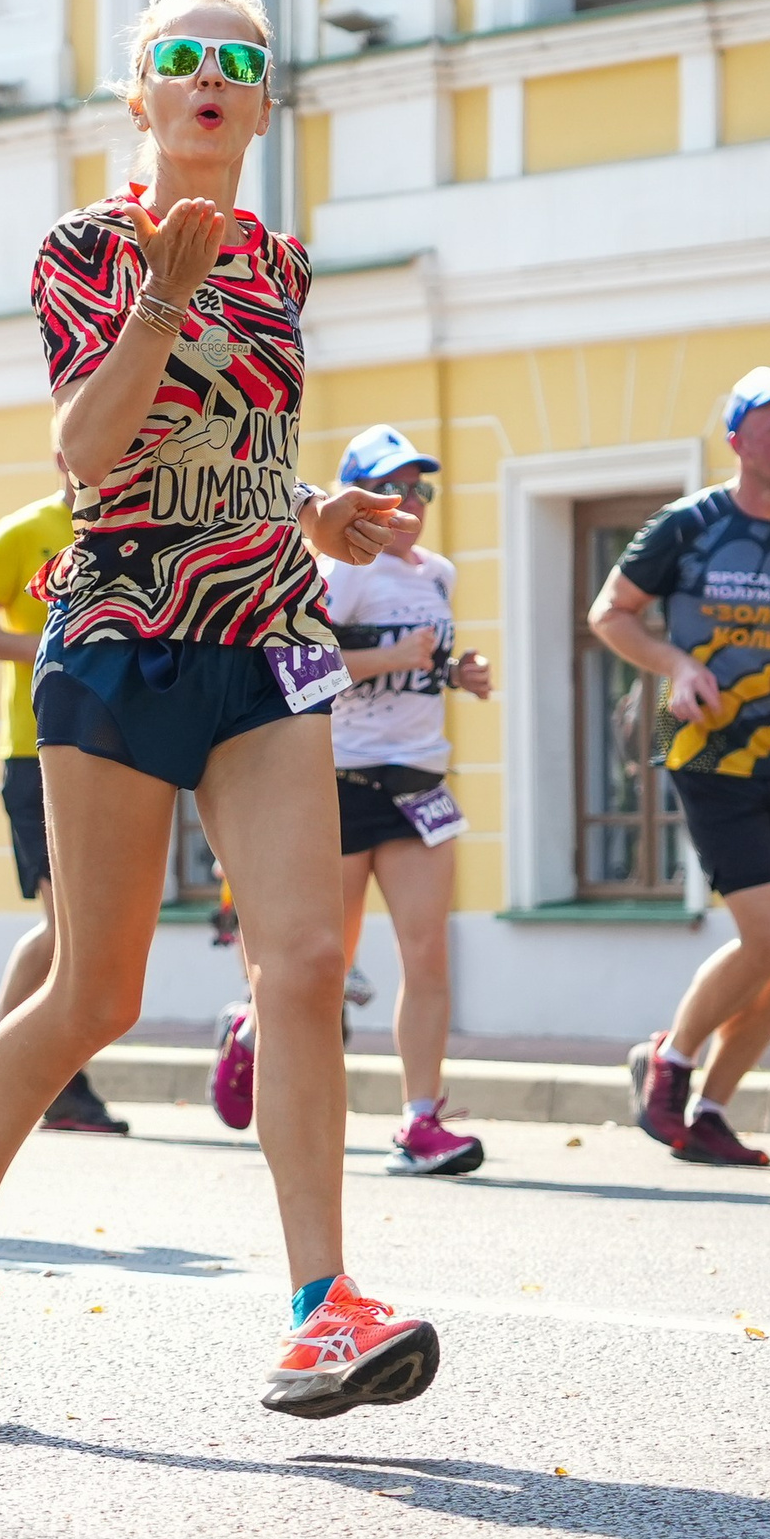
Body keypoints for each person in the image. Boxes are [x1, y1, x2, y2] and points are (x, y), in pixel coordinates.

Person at [0, 0, 441, 1420]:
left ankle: (322, 1303)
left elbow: (236, 442)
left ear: (264, 102)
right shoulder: (85, 246)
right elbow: (88, 452)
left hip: (262, 635)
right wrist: (163, 300)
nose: (208, 78)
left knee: (305, 958)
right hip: (122, 638)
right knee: (96, 991)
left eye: (236, 63)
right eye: (178, 60)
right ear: (140, 97)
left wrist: (315, 509)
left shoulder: (287, 265)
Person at [588, 367, 770, 1168]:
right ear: (739, 439)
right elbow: (609, 614)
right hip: (709, 751)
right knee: (769, 933)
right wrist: (675, 665)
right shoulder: (687, 525)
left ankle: (710, 1108)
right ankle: (671, 1060)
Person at [317, 423, 494, 1176]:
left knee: (428, 957)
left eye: (420, 485)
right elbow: (308, 665)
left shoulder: (439, 573)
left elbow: (430, 661)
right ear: (360, 500)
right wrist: (392, 656)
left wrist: (462, 673)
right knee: (325, 963)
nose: (411, 500)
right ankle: (260, 1039)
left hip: (419, 779)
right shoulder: (344, 570)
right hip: (345, 779)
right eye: (394, 487)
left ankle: (420, 1120)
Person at [0, 484, 126, 1135]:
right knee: (70, 926)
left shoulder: (149, 521)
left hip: (128, 749)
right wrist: (48, 645)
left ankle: (43, 1066)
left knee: (95, 932)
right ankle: (1, 1039)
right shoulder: (25, 530)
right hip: (39, 749)